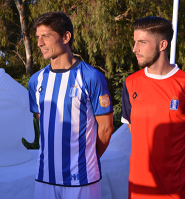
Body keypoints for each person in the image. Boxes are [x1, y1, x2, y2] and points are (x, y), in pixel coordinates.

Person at [121, 16, 185, 199]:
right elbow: (134, 129)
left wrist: (179, 162)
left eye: (142, 42)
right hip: (140, 189)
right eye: (135, 42)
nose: (134, 49)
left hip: (179, 190)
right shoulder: (130, 83)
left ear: (162, 45)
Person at [28, 11, 114, 199]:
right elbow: (44, 124)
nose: (39, 43)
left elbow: (106, 129)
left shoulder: (91, 77)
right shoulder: (36, 80)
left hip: (81, 179)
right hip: (45, 176)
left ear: (66, 37)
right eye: (37, 37)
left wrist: (85, 161)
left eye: (46, 36)